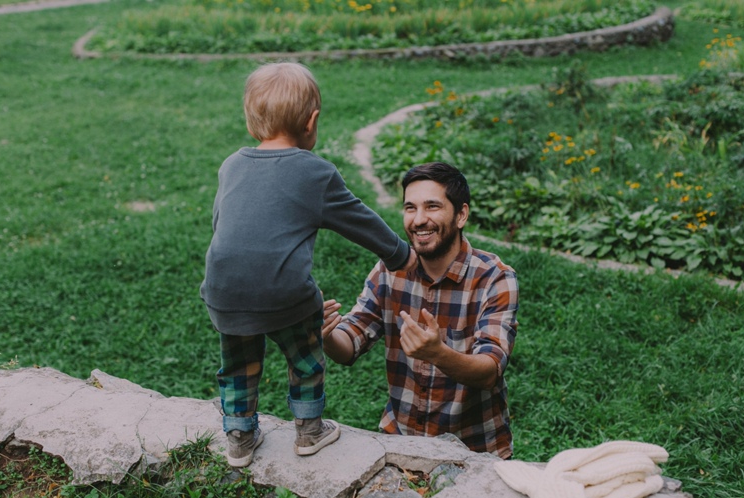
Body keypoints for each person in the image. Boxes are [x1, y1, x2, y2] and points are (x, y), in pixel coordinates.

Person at [200, 62, 417, 467]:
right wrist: (400, 255)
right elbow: (360, 220)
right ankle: (308, 431)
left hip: (223, 291)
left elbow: (221, 225)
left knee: (238, 363)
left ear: (251, 123)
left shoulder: (230, 165)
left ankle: (239, 436)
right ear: (311, 121)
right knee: (305, 356)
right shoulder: (315, 172)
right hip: (286, 294)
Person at [322, 162, 519, 459]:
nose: (419, 220)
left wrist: (437, 353)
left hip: (476, 451)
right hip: (401, 443)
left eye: (432, 207)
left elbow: (490, 370)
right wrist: (324, 333)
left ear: (461, 214)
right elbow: (349, 345)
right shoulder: (390, 271)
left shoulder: (495, 278)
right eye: (410, 208)